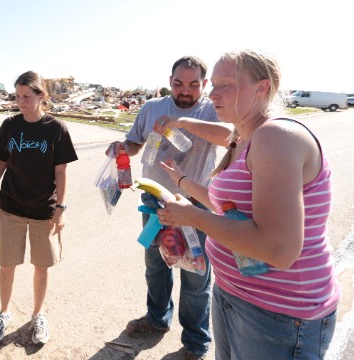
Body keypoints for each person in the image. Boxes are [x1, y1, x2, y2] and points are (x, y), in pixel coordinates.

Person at [157, 49, 340, 359]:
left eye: (225, 84)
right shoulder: (244, 136)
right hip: (233, 294)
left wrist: (193, 218)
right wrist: (182, 182)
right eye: (213, 84)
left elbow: (278, 250)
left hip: (280, 313)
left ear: (262, 87)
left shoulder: (276, 136)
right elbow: (227, 206)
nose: (213, 93)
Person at [106, 56, 231, 360]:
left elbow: (231, 137)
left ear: (203, 84)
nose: (184, 91)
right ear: (170, 81)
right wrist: (123, 148)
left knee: (195, 275)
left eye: (192, 84)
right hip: (153, 200)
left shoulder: (212, 109)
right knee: (156, 265)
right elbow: (134, 142)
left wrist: (180, 123)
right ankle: (156, 319)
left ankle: (196, 343)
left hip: (196, 204)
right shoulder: (152, 108)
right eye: (178, 83)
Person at [0, 70, 77, 345]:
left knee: (41, 266)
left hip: (43, 211)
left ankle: (38, 315)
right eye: (17, 96)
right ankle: (3, 312)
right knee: (6, 264)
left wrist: (60, 207)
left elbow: (60, 171)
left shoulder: (56, 129)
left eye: (26, 96)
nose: (20, 101)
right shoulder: (10, 126)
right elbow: (0, 163)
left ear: (41, 97)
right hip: (11, 208)